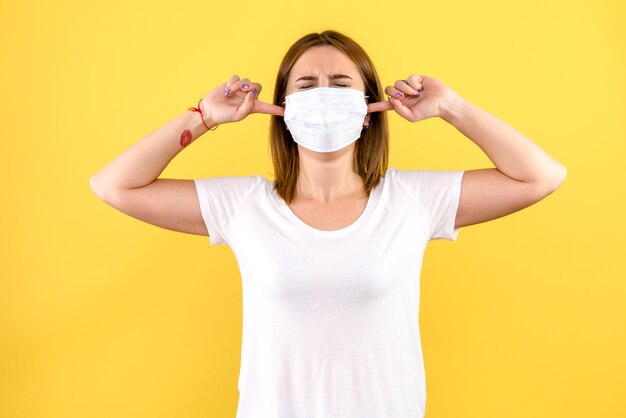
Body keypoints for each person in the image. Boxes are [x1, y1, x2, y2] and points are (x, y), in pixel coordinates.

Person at [90, 30, 566, 418]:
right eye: (306, 85)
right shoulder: (243, 205)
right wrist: (203, 116)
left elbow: (541, 176)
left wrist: (453, 108)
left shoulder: (413, 199)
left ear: (367, 110)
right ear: (281, 109)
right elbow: (115, 186)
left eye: (341, 84)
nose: (323, 95)